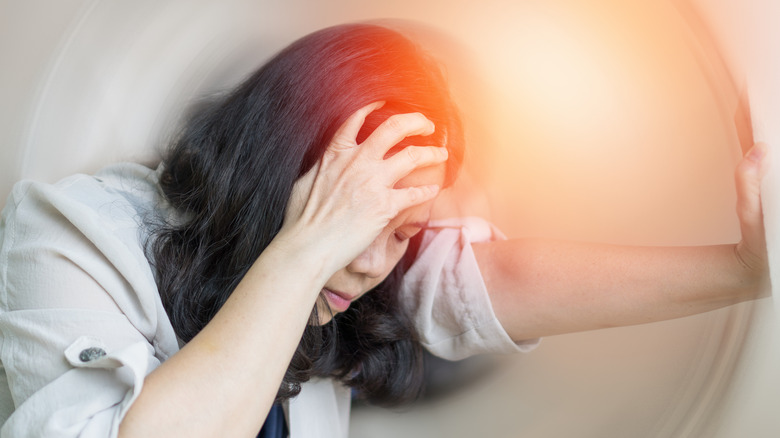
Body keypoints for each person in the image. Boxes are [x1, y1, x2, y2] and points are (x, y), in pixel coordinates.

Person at [0, 22, 769, 438]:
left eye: (403, 231)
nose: (373, 260)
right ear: (277, 166)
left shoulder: (351, 278)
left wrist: (744, 270)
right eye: (356, 214)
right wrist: (304, 250)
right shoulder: (71, 231)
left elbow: (492, 283)